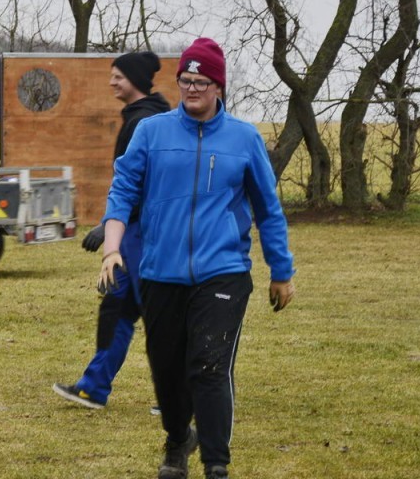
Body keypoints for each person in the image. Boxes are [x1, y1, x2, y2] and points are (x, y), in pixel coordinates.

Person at [97, 37, 295, 479]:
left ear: (218, 86)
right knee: (167, 369)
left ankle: (216, 464)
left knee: (208, 364)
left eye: (201, 82)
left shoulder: (244, 139)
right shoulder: (152, 132)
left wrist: (281, 272)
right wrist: (112, 248)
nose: (191, 89)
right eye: (185, 80)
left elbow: (268, 209)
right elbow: (122, 191)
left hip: (222, 273)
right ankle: (176, 438)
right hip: (160, 273)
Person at [53, 51, 170, 410]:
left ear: (134, 79)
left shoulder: (145, 121)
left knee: (156, 313)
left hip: (142, 234)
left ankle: (178, 396)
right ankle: (94, 387)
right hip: (133, 231)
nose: (112, 82)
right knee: (119, 308)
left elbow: (142, 184)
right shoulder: (141, 116)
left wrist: (108, 226)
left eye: (118, 76)